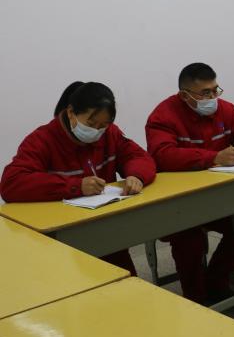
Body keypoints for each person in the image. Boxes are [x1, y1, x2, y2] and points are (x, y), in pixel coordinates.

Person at [1, 81, 156, 274]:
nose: (97, 131)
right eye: (91, 124)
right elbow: (11, 183)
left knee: (124, 278)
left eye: (103, 125)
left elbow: (140, 157)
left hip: (106, 228)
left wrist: (137, 175)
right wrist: (75, 186)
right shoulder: (42, 140)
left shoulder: (109, 133)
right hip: (62, 237)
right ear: (71, 113)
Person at [145, 63, 234, 304]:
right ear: (184, 95)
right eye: (205, 93)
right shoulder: (162, 116)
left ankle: (216, 280)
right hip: (180, 201)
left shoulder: (225, 110)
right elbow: (163, 155)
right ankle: (196, 298)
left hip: (217, 196)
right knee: (189, 239)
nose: (212, 98)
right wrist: (213, 158)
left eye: (215, 90)